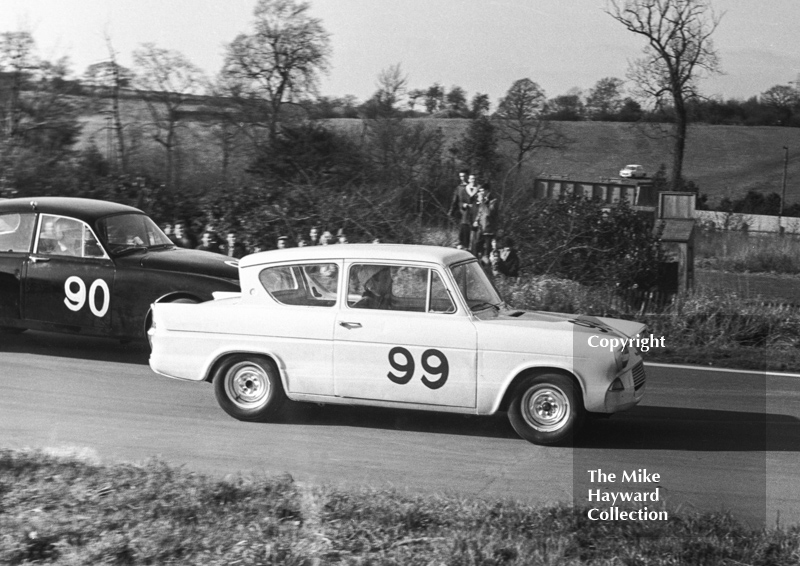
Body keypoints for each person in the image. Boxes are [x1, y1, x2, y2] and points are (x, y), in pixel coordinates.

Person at [449, 171, 478, 249]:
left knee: (473, 237)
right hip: (464, 214)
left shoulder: (477, 188)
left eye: (464, 176)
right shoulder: (460, 188)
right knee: (463, 234)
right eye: (461, 176)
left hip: (475, 215)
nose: (462, 178)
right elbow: (456, 200)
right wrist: (452, 210)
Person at [472, 183, 498, 258]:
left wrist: (482, 202)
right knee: (476, 247)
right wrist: (476, 221)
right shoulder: (482, 200)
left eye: (482, 191)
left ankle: (486, 266)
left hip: (489, 229)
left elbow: (488, 213)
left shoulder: (493, 201)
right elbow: (480, 212)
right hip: (481, 228)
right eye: (480, 191)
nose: (481, 193)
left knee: (487, 251)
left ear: (487, 191)